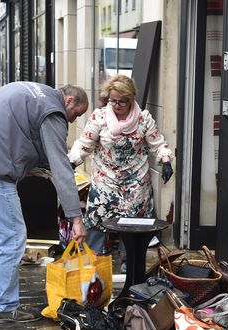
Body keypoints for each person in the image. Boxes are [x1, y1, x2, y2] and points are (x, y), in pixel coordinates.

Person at [0, 82, 89, 324]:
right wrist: (76, 218)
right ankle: (5, 307)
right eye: (76, 114)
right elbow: (61, 167)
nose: (73, 121)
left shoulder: (31, 90)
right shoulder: (52, 110)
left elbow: (16, 132)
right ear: (69, 101)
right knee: (11, 237)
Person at [68, 75, 174, 266]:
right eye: (112, 100)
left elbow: (157, 144)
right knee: (96, 219)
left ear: (131, 99)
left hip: (136, 182)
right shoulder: (99, 117)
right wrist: (72, 162)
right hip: (105, 179)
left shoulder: (143, 119)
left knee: (132, 224)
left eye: (121, 102)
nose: (116, 105)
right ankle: (93, 263)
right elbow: (84, 144)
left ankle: (130, 263)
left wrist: (166, 160)